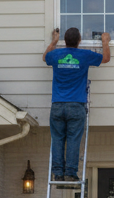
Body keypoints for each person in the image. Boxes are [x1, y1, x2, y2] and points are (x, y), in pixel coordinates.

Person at [43, 27, 109, 182]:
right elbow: (105, 58)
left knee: (58, 139)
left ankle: (58, 173)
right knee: (73, 139)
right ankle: (71, 173)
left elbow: (45, 57)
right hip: (76, 105)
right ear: (79, 40)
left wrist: (53, 41)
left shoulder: (56, 55)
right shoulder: (84, 55)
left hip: (57, 105)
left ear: (64, 41)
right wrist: (105, 41)